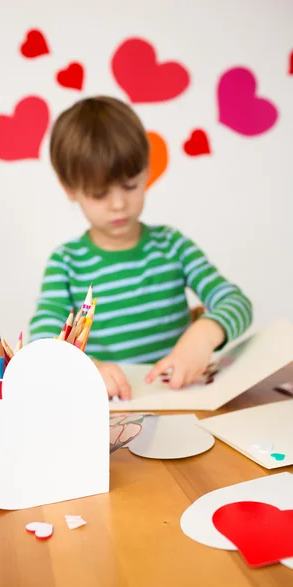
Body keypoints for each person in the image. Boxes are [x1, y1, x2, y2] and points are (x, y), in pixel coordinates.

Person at [29, 96, 253, 399]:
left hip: (181, 399)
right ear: (70, 189)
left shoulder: (173, 246)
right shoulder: (66, 263)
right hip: (110, 410)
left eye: (130, 186)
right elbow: (43, 338)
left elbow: (236, 302)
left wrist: (203, 336)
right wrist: (87, 367)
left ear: (146, 171)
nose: (119, 204)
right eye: (99, 193)